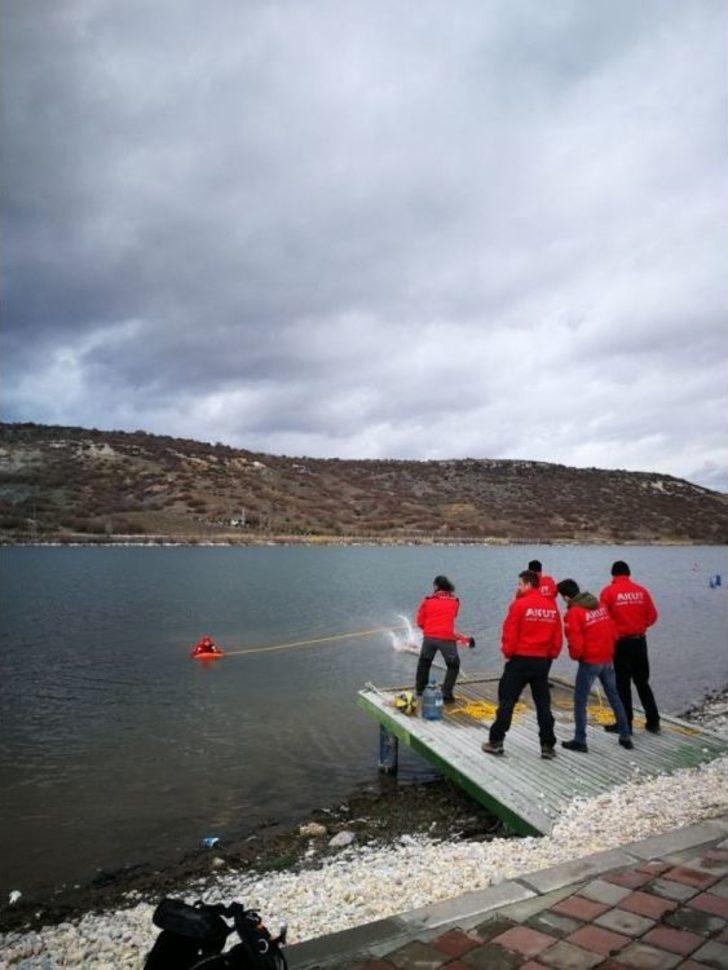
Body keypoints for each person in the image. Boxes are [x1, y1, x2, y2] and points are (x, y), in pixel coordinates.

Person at [482, 570, 562, 759]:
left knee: (507, 701)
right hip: (541, 662)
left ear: (528, 585)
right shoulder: (551, 607)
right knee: (543, 705)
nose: (517, 587)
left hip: (520, 660)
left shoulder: (519, 605)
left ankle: (496, 742)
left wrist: (508, 653)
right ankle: (547, 746)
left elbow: (510, 632)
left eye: (519, 584)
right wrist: (550, 655)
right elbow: (557, 637)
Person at [556, 578, 633, 752]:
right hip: (607, 658)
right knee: (614, 696)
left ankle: (580, 740)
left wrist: (577, 656)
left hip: (590, 661)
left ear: (566, 598)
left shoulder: (573, 613)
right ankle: (625, 736)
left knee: (580, 700)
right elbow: (613, 630)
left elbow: (575, 642)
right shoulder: (600, 606)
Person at [600, 561, 660, 733]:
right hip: (640, 641)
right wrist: (641, 626)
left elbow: (602, 619)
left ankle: (625, 723)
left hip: (620, 643)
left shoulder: (608, 592)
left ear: (613, 575)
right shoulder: (641, 591)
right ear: (629, 574)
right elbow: (653, 616)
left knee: (622, 684)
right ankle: (653, 721)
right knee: (642, 682)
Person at [415, 576, 474, 704]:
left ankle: (420, 691)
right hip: (447, 638)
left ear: (436, 587)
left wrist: (429, 628)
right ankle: (446, 694)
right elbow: (454, 614)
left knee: (424, 663)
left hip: (429, 638)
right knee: (453, 666)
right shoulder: (455, 601)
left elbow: (419, 622)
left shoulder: (427, 601)